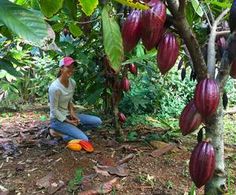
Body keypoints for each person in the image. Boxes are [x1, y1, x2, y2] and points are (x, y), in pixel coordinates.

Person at [48, 56, 102, 141]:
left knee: (97, 121)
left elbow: (69, 100)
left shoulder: (72, 83)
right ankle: (57, 132)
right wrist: (68, 121)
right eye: (68, 67)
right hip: (57, 120)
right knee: (84, 139)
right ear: (61, 68)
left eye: (72, 67)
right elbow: (54, 110)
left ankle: (73, 131)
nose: (71, 69)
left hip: (68, 115)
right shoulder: (55, 87)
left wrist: (72, 113)